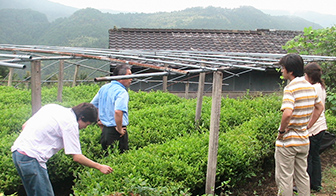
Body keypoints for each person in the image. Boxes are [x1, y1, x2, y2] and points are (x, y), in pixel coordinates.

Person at [11, 103, 113, 196]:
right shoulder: (70, 124)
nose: (85, 127)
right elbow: (77, 157)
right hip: (31, 157)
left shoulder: (53, 107)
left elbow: (25, 126)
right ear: (81, 117)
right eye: (87, 124)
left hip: (17, 152)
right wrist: (99, 167)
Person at [275, 54, 324, 196]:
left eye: (283, 68)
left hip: (288, 141)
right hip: (303, 139)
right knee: (302, 175)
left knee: (285, 177)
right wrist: (308, 126)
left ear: (290, 71)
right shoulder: (310, 87)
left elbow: (287, 113)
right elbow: (319, 107)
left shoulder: (290, 88)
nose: (281, 71)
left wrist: (281, 132)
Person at [91, 64, 132, 153]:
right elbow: (118, 111)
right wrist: (119, 128)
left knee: (107, 158)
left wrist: (99, 121)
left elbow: (93, 105)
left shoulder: (104, 87)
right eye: (129, 75)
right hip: (116, 132)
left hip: (105, 131)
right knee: (120, 159)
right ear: (121, 78)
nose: (131, 78)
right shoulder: (121, 91)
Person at [304, 62, 327, 192]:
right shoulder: (320, 86)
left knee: (310, 157)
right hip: (320, 126)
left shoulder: (314, 89)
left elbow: (317, 109)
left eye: (305, 75)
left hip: (314, 128)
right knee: (315, 156)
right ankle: (316, 184)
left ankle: (310, 184)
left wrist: (308, 126)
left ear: (310, 76)